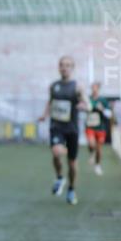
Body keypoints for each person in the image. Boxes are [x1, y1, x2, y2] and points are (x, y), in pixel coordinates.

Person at [37, 55, 87, 205]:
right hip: (56, 126)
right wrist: (44, 115)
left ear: (72, 68)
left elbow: (87, 103)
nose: (64, 67)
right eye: (62, 65)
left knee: (72, 163)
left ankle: (71, 189)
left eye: (67, 65)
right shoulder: (53, 86)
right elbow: (50, 102)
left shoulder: (77, 87)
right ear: (58, 67)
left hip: (71, 129)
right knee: (56, 152)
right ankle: (60, 177)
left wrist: (83, 106)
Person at [85, 82, 110, 176]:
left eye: (95, 88)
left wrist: (102, 109)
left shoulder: (103, 100)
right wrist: (84, 108)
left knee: (99, 149)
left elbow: (109, 114)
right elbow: (82, 106)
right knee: (91, 144)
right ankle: (92, 154)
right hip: (90, 126)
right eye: (92, 88)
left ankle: (98, 165)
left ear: (98, 89)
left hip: (101, 127)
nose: (93, 90)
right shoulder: (88, 99)